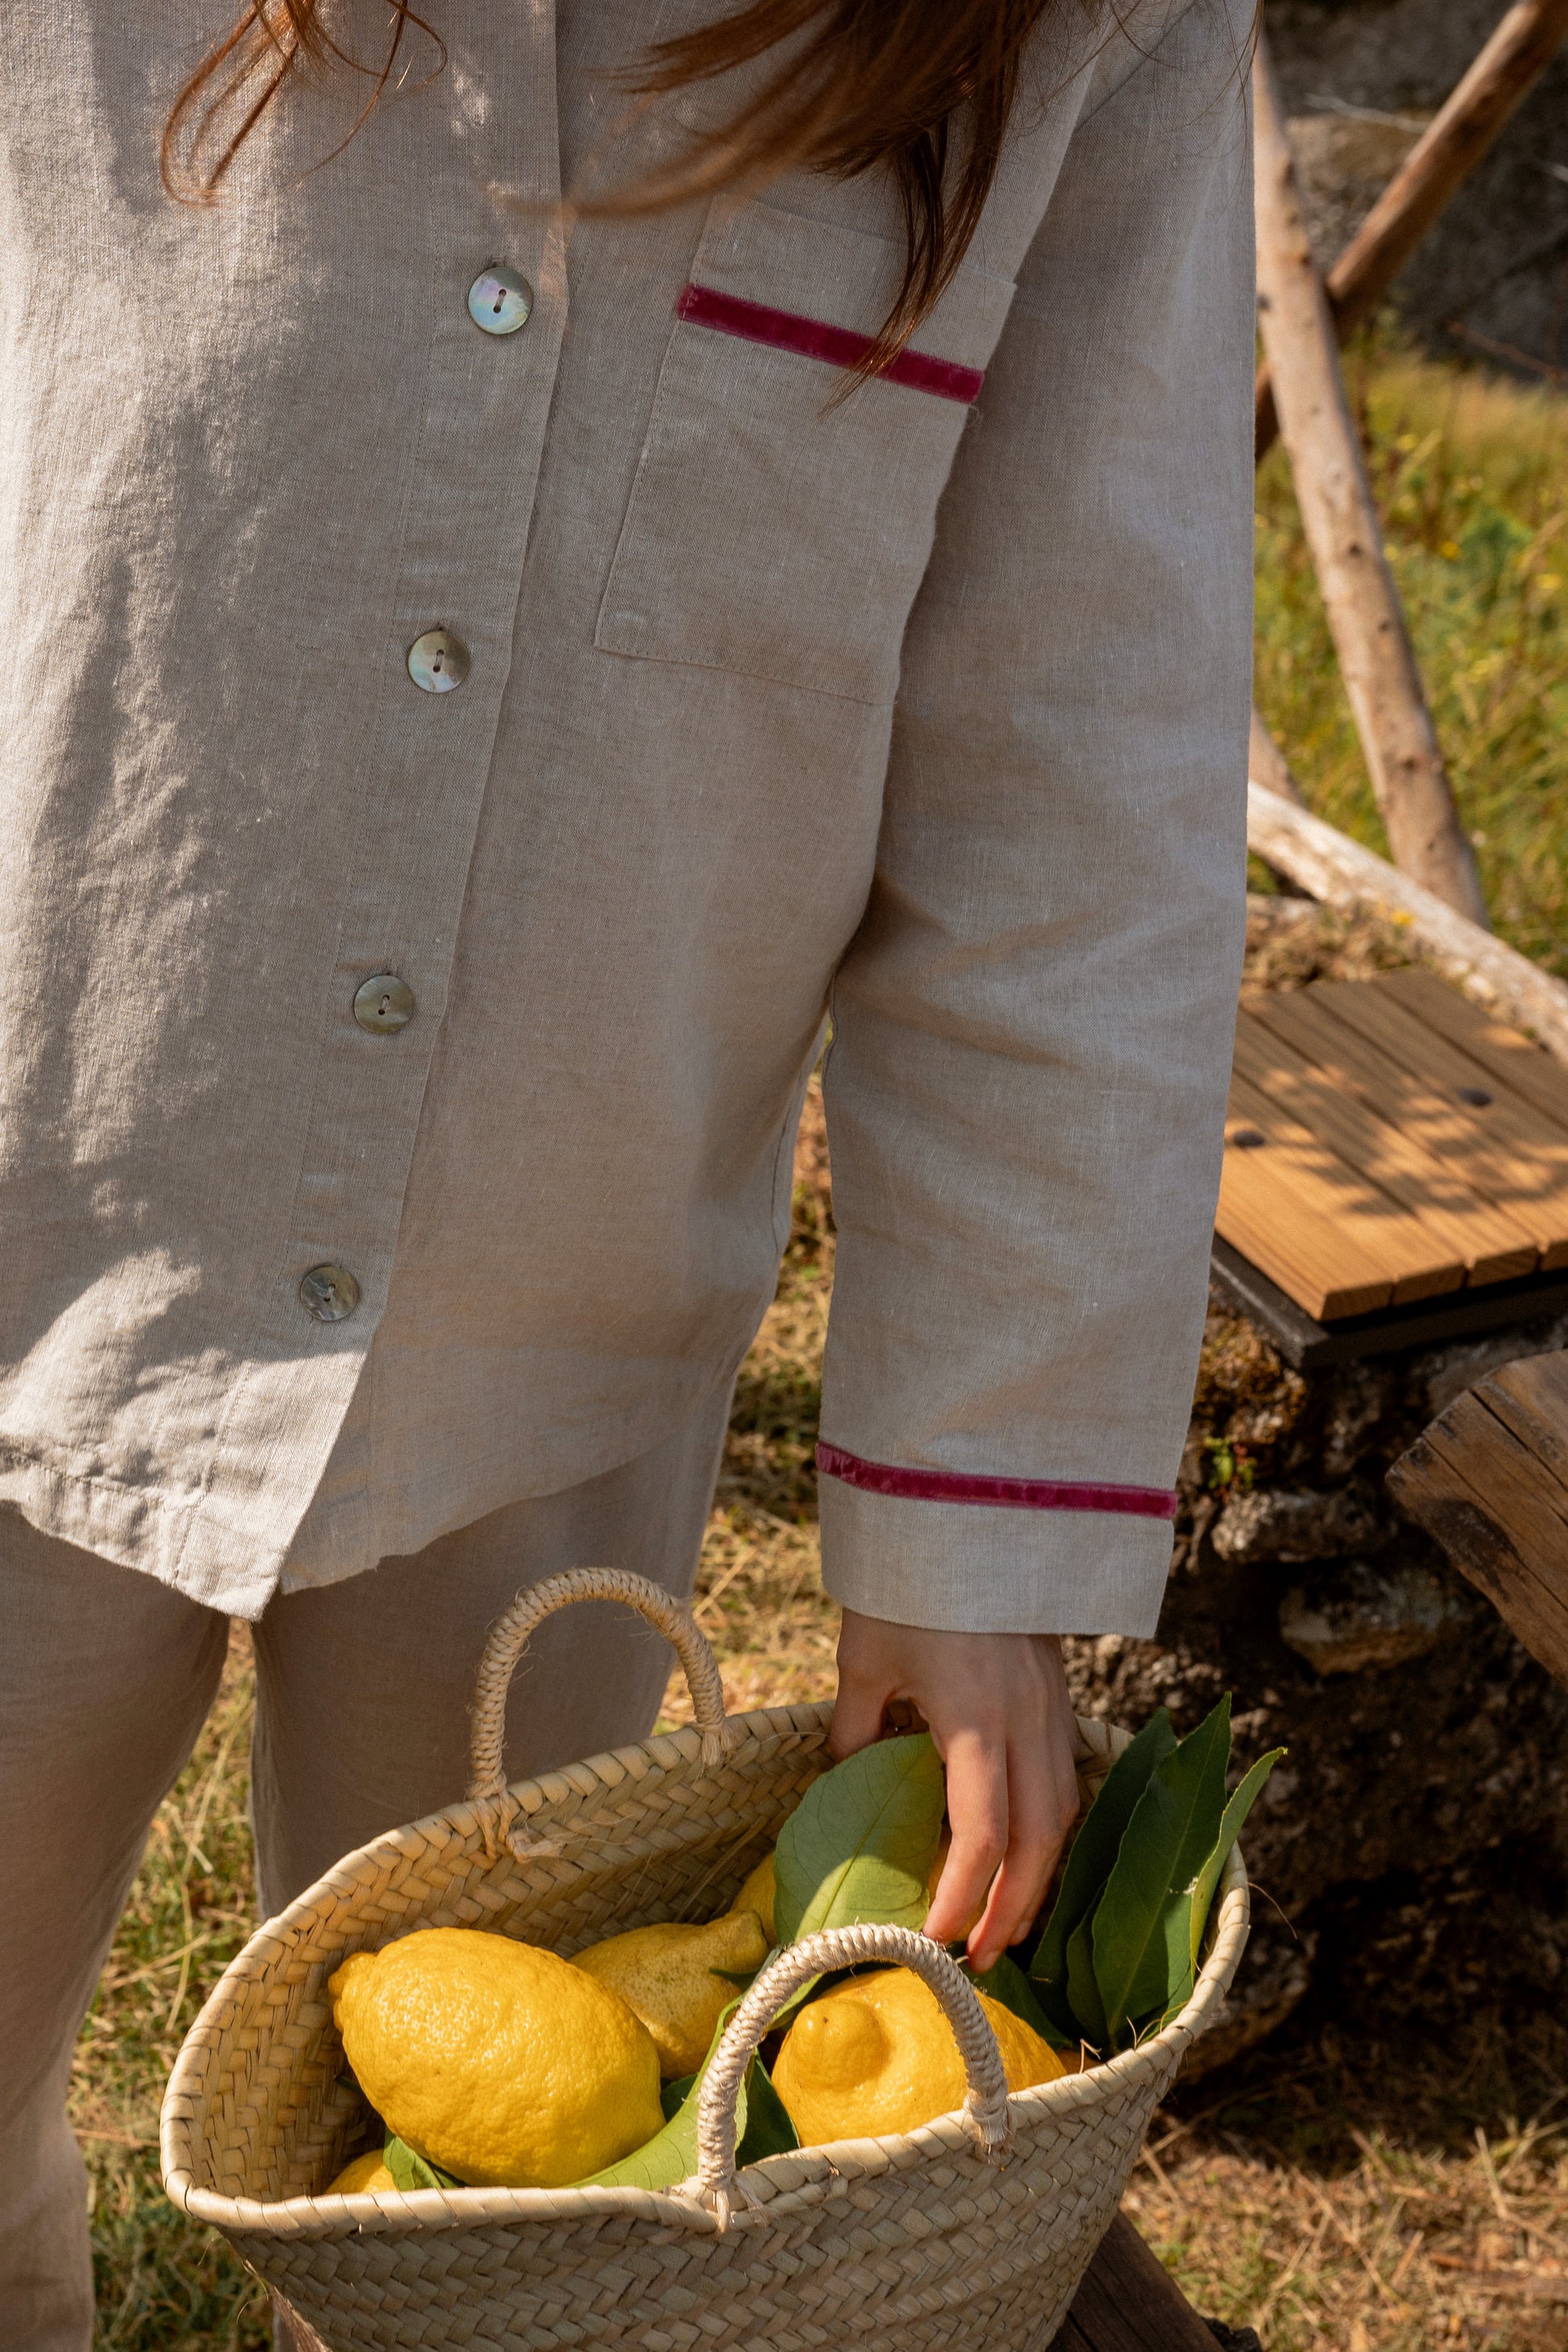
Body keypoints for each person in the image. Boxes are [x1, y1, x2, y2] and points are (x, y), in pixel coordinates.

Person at [0, 0, 1255, 2337]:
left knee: (493, 2230)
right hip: (32, 1197)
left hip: (558, 1341)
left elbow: (1071, 744)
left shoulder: (1089, 33)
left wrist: (973, 1508)